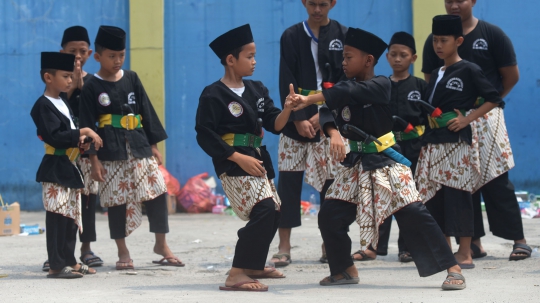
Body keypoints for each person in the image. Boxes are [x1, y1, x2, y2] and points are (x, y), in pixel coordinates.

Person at [290, 27, 466, 290]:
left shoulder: (380, 85)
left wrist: (309, 99)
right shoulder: (343, 87)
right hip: (358, 164)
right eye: (343, 57)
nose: (344, 62)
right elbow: (328, 110)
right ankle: (344, 270)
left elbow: (344, 94)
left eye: (349, 57)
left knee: (415, 214)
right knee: (329, 215)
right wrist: (333, 132)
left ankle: (453, 268)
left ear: (369, 60)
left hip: (386, 163)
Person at [422, 0, 531, 261]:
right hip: (452, 122)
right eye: (449, 0)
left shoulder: (492, 34)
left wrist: (478, 108)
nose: (454, 5)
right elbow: (432, 83)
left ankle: (519, 240)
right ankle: (473, 245)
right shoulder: (433, 41)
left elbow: (511, 76)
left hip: (486, 117)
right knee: (460, 182)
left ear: (473, 1)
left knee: (496, 179)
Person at [196, 24, 293, 291]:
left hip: (258, 161)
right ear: (230, 60)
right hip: (233, 164)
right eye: (249, 56)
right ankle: (237, 273)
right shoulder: (213, 94)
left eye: (254, 55)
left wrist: (287, 109)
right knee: (262, 209)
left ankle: (253, 264)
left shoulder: (257, 89)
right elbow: (204, 134)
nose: (254, 61)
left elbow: (274, 123)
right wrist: (237, 157)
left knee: (274, 211)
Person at [79, 26, 183, 270]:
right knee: (116, 200)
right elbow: (86, 125)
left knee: (157, 191)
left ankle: (161, 245)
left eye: (121, 55)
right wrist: (93, 161)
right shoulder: (91, 86)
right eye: (111, 56)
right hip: (110, 151)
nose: (117, 61)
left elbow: (146, 111)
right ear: (98, 57)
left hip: (139, 146)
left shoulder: (132, 78)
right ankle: (122, 250)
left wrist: (153, 145)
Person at [416, 14, 504, 269]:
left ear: (459, 41)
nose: (438, 46)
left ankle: (465, 252)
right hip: (433, 142)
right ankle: (444, 250)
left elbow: (493, 99)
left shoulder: (469, 69)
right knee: (433, 197)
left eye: (444, 40)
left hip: (456, 143)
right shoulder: (436, 72)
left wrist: (467, 120)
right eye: (435, 41)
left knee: (458, 196)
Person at [274, 0, 347, 266]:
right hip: (297, 118)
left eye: (323, 4)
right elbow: (286, 77)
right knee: (289, 183)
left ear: (333, 3)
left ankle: (330, 243)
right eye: (313, 3)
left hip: (328, 120)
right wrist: (297, 118)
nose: (318, 9)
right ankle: (284, 246)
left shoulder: (343, 34)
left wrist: (322, 113)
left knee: (330, 183)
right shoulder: (292, 35)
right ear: (304, 3)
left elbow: (345, 81)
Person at [353, 32, 429, 263]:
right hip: (384, 149)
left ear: (413, 58)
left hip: (413, 148)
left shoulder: (420, 86)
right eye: (393, 55)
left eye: (403, 55)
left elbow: (429, 120)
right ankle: (373, 246)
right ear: (386, 57)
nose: (398, 59)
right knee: (380, 196)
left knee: (409, 199)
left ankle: (407, 247)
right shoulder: (379, 85)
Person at [31, 52, 103, 278]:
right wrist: (84, 131)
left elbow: (70, 134)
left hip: (69, 166)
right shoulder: (43, 105)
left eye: (71, 76)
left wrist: (82, 141)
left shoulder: (62, 102)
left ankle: (70, 260)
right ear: (48, 77)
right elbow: (55, 136)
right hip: (54, 168)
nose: (71, 80)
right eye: (65, 76)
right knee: (57, 217)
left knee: (71, 217)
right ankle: (55, 265)